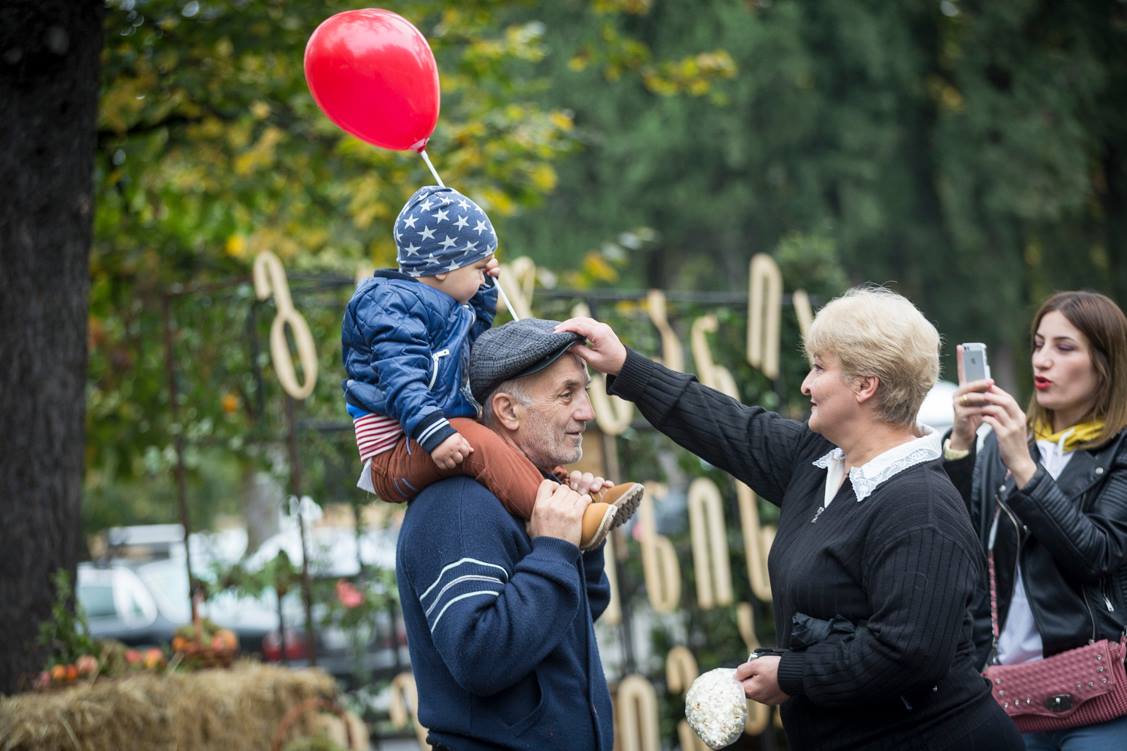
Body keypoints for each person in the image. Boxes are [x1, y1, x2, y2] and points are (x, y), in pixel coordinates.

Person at [557, 287, 1023, 751]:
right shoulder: (819, 460)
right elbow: (727, 426)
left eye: (819, 368)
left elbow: (908, 655)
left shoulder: (922, 507)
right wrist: (625, 365)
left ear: (865, 386)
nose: (805, 385)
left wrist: (790, 674)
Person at [341, 185, 642, 550]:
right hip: (396, 451)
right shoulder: (392, 307)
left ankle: (574, 495)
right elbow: (402, 381)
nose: (485, 276)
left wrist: (483, 295)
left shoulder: (436, 305)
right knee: (478, 441)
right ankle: (567, 519)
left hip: (426, 431)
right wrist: (434, 432)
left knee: (503, 440)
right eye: (478, 269)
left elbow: (469, 346)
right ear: (443, 268)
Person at [395, 318, 615, 751]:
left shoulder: (532, 494)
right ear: (508, 410)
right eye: (567, 394)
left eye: (585, 391)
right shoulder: (457, 505)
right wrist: (553, 549)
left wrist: (582, 538)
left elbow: (571, 622)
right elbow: (479, 657)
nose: (587, 411)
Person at [944, 290, 1127, 749]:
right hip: (1004, 691)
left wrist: (1025, 469)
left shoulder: (1119, 451)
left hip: (1096, 692)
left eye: (1064, 348)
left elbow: (1097, 554)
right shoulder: (1000, 445)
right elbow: (955, 542)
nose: (1042, 361)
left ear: (1105, 364)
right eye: (1038, 344)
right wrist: (962, 445)